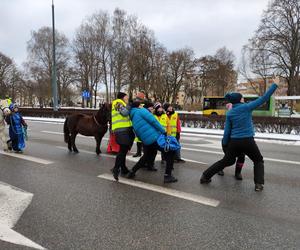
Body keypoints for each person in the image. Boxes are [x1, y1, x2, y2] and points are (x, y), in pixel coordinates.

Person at [200, 82, 278, 191]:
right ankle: (258, 185)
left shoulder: (230, 113)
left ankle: (205, 176)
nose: (243, 99)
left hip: (234, 142)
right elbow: (264, 98)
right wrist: (274, 86)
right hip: (248, 141)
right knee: (258, 160)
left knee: (226, 161)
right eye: (242, 98)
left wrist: (225, 144)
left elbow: (227, 131)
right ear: (239, 100)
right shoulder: (247, 107)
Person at [127, 100, 178, 183]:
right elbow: (153, 121)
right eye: (141, 105)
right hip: (154, 137)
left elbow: (137, 131)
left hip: (146, 140)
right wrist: (163, 131)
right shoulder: (141, 111)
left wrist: (143, 140)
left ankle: (132, 171)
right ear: (138, 106)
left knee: (146, 156)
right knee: (170, 152)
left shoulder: (132, 116)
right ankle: (168, 176)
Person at [218, 103, 245, 180]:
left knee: (242, 157)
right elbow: (226, 133)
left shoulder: (242, 118)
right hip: (229, 141)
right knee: (229, 158)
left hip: (240, 141)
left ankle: (238, 172)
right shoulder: (230, 119)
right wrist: (225, 143)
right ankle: (219, 168)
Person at [111, 92, 135, 181]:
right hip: (120, 130)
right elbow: (124, 113)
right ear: (122, 97)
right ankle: (116, 169)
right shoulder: (117, 103)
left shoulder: (123, 104)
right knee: (123, 149)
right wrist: (130, 105)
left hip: (126, 129)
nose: (127, 98)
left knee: (124, 149)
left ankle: (123, 168)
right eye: (126, 97)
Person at [132, 91, 146, 157]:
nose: (138, 99)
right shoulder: (134, 103)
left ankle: (144, 153)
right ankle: (138, 152)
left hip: (143, 123)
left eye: (139, 97)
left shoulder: (146, 103)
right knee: (138, 139)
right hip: (137, 123)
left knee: (144, 139)